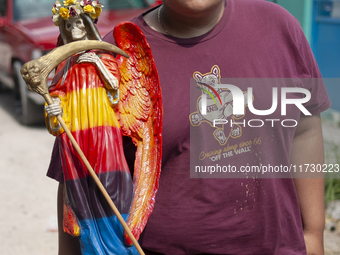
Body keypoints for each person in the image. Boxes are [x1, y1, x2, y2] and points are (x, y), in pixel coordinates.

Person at [49, 0, 331, 254]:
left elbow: (304, 127)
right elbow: (79, 177)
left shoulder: (278, 26)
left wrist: (313, 233)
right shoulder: (109, 58)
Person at [45, 1, 139, 254]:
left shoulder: (104, 56)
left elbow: (116, 91)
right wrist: (53, 111)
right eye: (68, 24)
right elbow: (57, 102)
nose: (74, 29)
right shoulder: (64, 65)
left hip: (103, 133)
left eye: (78, 23)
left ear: (88, 25)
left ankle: (120, 246)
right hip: (75, 136)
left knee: (113, 189)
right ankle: (93, 246)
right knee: (81, 194)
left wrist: (96, 62)